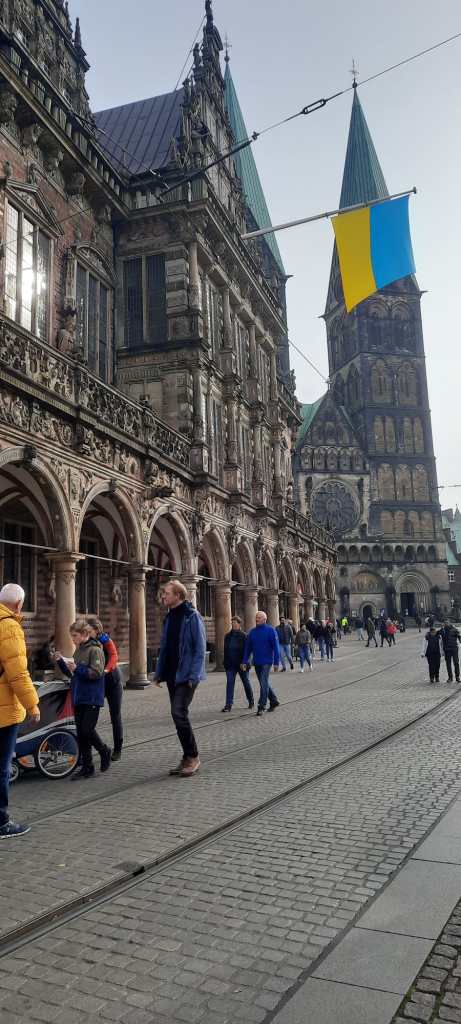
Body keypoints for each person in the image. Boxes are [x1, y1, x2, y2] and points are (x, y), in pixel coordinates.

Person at [0, 583, 40, 839]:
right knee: (2, 766)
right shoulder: (9, 626)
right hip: (3, 710)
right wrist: (32, 704)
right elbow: (18, 673)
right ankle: (1, 822)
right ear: (18, 604)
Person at [155, 579, 206, 777]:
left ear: (178, 595)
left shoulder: (191, 616)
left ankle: (193, 757)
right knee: (178, 716)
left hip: (186, 675)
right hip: (172, 674)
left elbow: (200, 649)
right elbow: (165, 647)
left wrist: (194, 675)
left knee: (178, 713)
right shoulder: (169, 617)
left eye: (167, 593)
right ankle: (186, 757)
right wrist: (159, 673)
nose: (163, 596)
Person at [55, 619, 110, 779]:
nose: (72, 639)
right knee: (81, 734)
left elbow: (97, 673)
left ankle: (104, 751)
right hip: (78, 696)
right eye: (72, 636)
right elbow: (73, 674)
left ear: (84, 634)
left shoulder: (95, 650)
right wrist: (61, 662)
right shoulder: (78, 651)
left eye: (75, 636)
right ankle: (87, 767)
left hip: (92, 697)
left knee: (87, 730)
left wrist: (77, 668)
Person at [87, 617, 124, 760]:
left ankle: (117, 749)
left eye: (89, 630)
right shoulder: (87, 642)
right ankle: (90, 750)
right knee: (89, 716)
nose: (86, 632)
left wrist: (107, 669)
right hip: (98, 684)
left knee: (115, 716)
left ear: (97, 630)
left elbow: (114, 655)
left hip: (113, 682)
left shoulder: (105, 639)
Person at [243, 611, 280, 716]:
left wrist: (276, 662)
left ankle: (261, 706)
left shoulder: (271, 630)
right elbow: (248, 648)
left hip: (267, 662)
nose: (256, 619)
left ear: (264, 619)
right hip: (257, 662)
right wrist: (244, 661)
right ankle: (274, 700)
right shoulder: (252, 632)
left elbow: (276, 647)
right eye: (256, 617)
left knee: (263, 683)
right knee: (264, 683)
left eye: (259, 618)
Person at [222, 616, 254, 711]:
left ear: (239, 624)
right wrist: (225, 662)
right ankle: (228, 705)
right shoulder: (227, 636)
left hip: (242, 664)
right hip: (230, 664)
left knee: (246, 682)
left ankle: (251, 700)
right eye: (232, 623)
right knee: (230, 684)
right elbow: (226, 650)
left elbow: (248, 651)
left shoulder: (244, 636)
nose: (233, 624)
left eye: (235, 623)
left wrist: (245, 662)